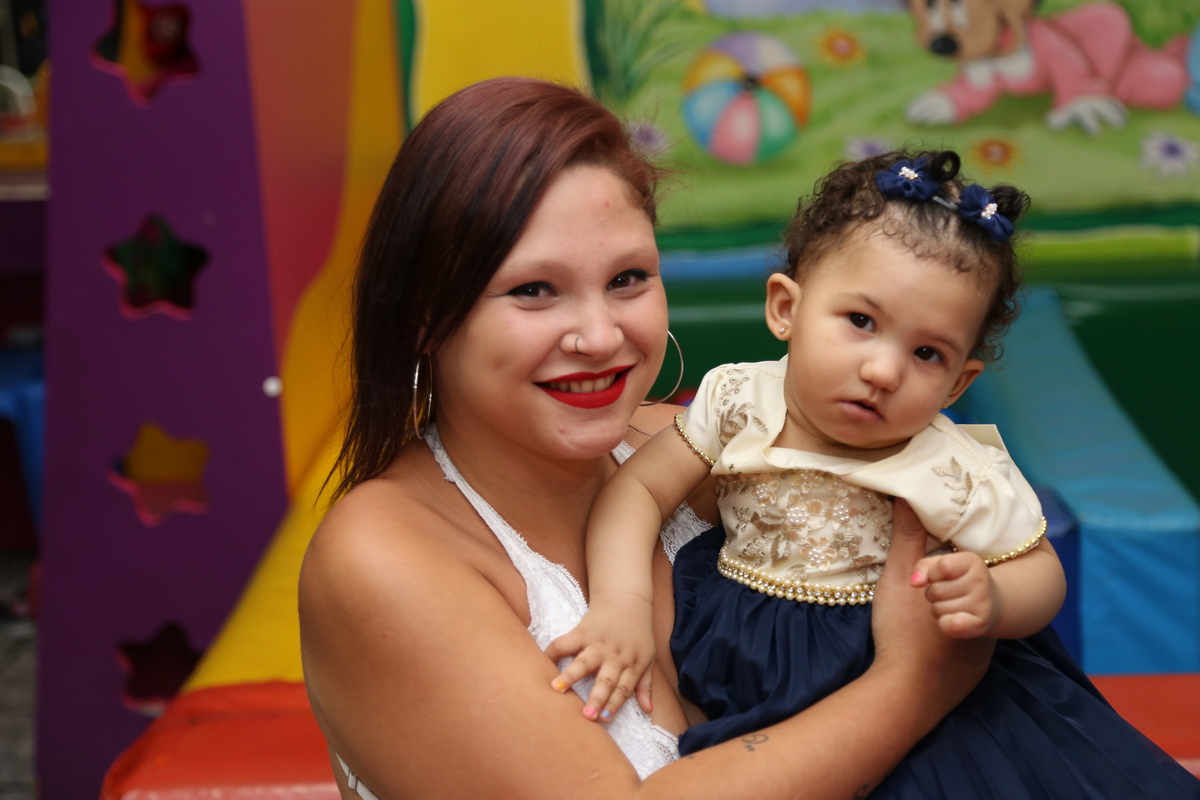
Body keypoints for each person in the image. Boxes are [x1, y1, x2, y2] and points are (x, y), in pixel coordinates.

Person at [298, 78, 1000, 800]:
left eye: (628, 278)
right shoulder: (383, 558)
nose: (601, 337)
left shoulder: (709, 456)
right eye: (534, 290)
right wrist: (910, 684)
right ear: (424, 315)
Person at [551, 151, 1200, 798]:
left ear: (958, 383)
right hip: (749, 658)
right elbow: (638, 489)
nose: (884, 371)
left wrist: (994, 597)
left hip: (909, 690)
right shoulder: (740, 401)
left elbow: (1041, 570)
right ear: (785, 308)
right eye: (861, 322)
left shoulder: (951, 466)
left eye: (927, 353)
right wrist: (621, 606)